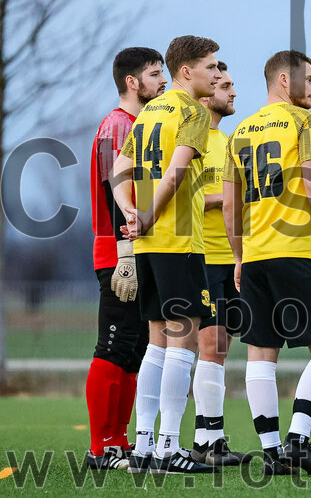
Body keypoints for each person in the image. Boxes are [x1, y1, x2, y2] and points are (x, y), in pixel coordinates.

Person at [223, 50, 311, 477]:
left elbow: (232, 204)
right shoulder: (304, 121)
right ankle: (297, 439)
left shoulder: (240, 131)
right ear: (283, 80)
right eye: (309, 79)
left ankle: (272, 453)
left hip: (257, 255)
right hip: (296, 250)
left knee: (261, 352)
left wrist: (239, 255)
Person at [110, 35, 221, 473]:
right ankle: (169, 447)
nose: (217, 74)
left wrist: (131, 213)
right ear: (186, 72)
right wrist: (148, 216)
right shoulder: (192, 112)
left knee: (156, 343)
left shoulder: (149, 112)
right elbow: (175, 173)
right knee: (183, 341)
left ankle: (143, 446)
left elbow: (118, 169)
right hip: (178, 241)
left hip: (149, 245)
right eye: (211, 66)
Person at [84, 47, 165, 470]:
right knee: (114, 345)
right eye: (154, 74)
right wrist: (125, 253)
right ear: (132, 82)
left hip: (138, 250)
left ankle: (118, 439)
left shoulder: (142, 126)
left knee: (133, 349)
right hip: (118, 252)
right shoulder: (117, 126)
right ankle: (100, 447)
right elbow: (114, 191)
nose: (163, 81)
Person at [191, 61, 252, 466]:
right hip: (204, 257)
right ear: (207, 89)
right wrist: (223, 199)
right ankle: (207, 443)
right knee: (210, 347)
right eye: (225, 85)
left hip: (233, 259)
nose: (232, 93)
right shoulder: (192, 138)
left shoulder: (229, 143)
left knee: (222, 349)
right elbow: (178, 195)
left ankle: (209, 438)